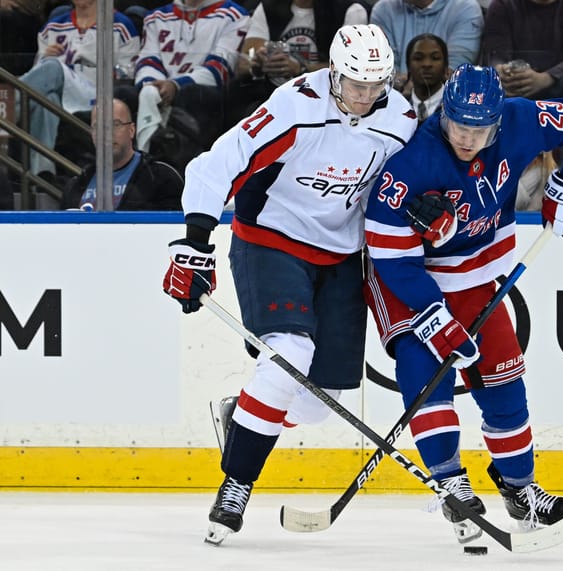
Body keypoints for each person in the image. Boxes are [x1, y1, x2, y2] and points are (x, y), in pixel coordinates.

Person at [161, 24, 417, 546]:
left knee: (319, 403)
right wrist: (194, 243)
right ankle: (236, 483)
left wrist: (423, 204)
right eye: (355, 84)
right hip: (271, 240)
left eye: (376, 85)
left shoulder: (401, 119)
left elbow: (407, 184)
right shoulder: (295, 106)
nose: (366, 97)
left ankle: (242, 412)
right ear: (333, 72)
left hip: (343, 255)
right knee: (288, 353)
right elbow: (219, 163)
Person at [363, 64, 563, 543]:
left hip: (476, 275)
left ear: (498, 120)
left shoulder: (519, 120)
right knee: (426, 376)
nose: (468, 138)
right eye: (458, 125)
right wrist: (434, 319)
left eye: (479, 129)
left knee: (504, 384)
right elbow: (391, 255)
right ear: (444, 114)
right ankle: (450, 480)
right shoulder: (412, 163)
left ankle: (521, 491)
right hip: (407, 280)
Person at [17, 0, 140, 178]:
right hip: (59, 94)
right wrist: (44, 57)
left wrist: (91, 62)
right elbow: (38, 79)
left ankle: (8, 107)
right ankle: (42, 174)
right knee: (47, 99)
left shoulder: (121, 25)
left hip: (97, 93)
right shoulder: (53, 26)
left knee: (52, 67)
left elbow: (128, 73)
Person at [133, 0, 250, 156]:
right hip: (162, 89)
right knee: (127, 95)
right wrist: (154, 87)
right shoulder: (156, 17)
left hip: (206, 93)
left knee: (193, 94)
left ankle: (186, 163)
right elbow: (147, 61)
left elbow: (220, 68)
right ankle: (140, 162)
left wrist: (176, 85)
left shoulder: (234, 15)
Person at [226, 0, 369, 125]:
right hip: (272, 96)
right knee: (235, 100)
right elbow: (244, 62)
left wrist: (302, 69)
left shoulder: (351, 11)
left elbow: (350, 72)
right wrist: (257, 62)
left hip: (325, 99)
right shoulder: (268, 7)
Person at [60, 95, 183, 211]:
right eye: (98, 126)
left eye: (115, 124)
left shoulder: (162, 179)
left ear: (131, 130)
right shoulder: (75, 185)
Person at [481, 0, 563, 99]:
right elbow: (495, 54)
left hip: (559, 86)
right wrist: (501, 71)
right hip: (515, 85)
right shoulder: (502, 5)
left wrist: (547, 78)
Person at [370, 0, 483, 90]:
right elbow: (381, 70)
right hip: (392, 98)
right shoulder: (383, 10)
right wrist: (398, 82)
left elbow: (453, 72)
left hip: (446, 103)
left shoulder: (466, 8)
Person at [403, 33, 449, 123]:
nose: (427, 64)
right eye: (418, 58)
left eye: (435, 58)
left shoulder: (456, 109)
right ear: (408, 65)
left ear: (446, 65)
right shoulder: (397, 107)